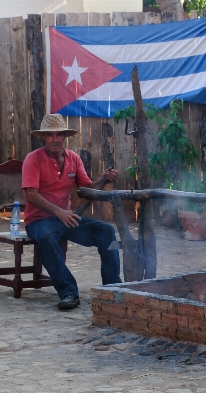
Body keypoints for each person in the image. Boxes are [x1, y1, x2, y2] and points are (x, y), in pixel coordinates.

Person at [22, 113, 122, 310]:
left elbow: (87, 189)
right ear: (43, 137)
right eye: (50, 135)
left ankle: (112, 288)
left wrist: (104, 179)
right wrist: (59, 212)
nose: (55, 139)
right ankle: (68, 292)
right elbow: (31, 195)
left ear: (65, 137)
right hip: (38, 221)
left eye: (59, 135)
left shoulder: (73, 159)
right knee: (47, 237)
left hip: (66, 219)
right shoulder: (33, 159)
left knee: (106, 232)